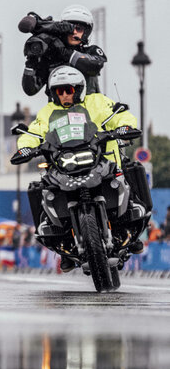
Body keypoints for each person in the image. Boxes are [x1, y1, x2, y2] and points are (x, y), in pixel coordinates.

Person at [14, 65, 139, 271]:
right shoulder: (47, 112)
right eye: (59, 91)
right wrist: (26, 147)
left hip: (100, 160)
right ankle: (62, 239)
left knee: (131, 169)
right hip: (64, 166)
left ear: (79, 89)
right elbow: (34, 132)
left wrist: (124, 125)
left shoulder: (97, 102)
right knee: (40, 188)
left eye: (69, 90)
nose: (64, 95)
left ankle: (132, 219)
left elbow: (117, 114)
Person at [22, 5, 107, 98]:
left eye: (79, 29)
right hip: (59, 111)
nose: (74, 32)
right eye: (70, 28)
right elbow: (30, 90)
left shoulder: (91, 51)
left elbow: (94, 66)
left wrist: (64, 52)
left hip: (89, 110)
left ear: (86, 32)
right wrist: (31, 63)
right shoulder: (51, 58)